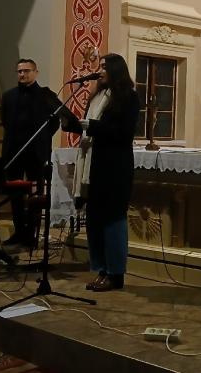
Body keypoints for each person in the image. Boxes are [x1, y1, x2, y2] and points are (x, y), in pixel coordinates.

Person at [62, 53, 140, 292]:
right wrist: (73, 124)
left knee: (112, 220)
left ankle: (115, 274)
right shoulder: (97, 97)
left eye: (105, 66)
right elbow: (92, 129)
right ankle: (101, 269)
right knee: (94, 220)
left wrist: (91, 126)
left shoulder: (128, 97)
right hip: (94, 166)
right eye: (100, 66)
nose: (100, 70)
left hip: (114, 168)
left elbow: (123, 133)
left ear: (116, 70)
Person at [1, 58, 60, 246]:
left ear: (35, 72)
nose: (22, 74)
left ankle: (32, 233)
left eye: (26, 71)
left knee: (36, 194)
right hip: (14, 151)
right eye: (19, 71)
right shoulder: (8, 96)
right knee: (16, 196)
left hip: (36, 152)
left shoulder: (46, 96)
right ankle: (19, 231)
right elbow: (5, 121)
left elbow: (55, 122)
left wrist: (42, 139)